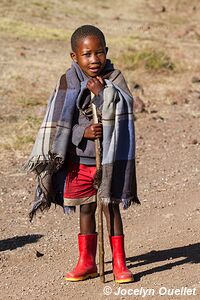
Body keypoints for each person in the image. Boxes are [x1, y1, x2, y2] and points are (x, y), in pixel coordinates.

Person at [25, 25, 140, 284]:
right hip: (79, 161)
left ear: (106, 52)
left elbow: (124, 109)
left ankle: (120, 263)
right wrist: (82, 132)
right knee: (86, 210)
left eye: (99, 53)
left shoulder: (115, 77)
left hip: (108, 160)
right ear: (74, 56)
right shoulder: (67, 82)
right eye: (87, 54)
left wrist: (103, 95)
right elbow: (59, 125)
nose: (94, 60)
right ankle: (87, 261)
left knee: (110, 208)